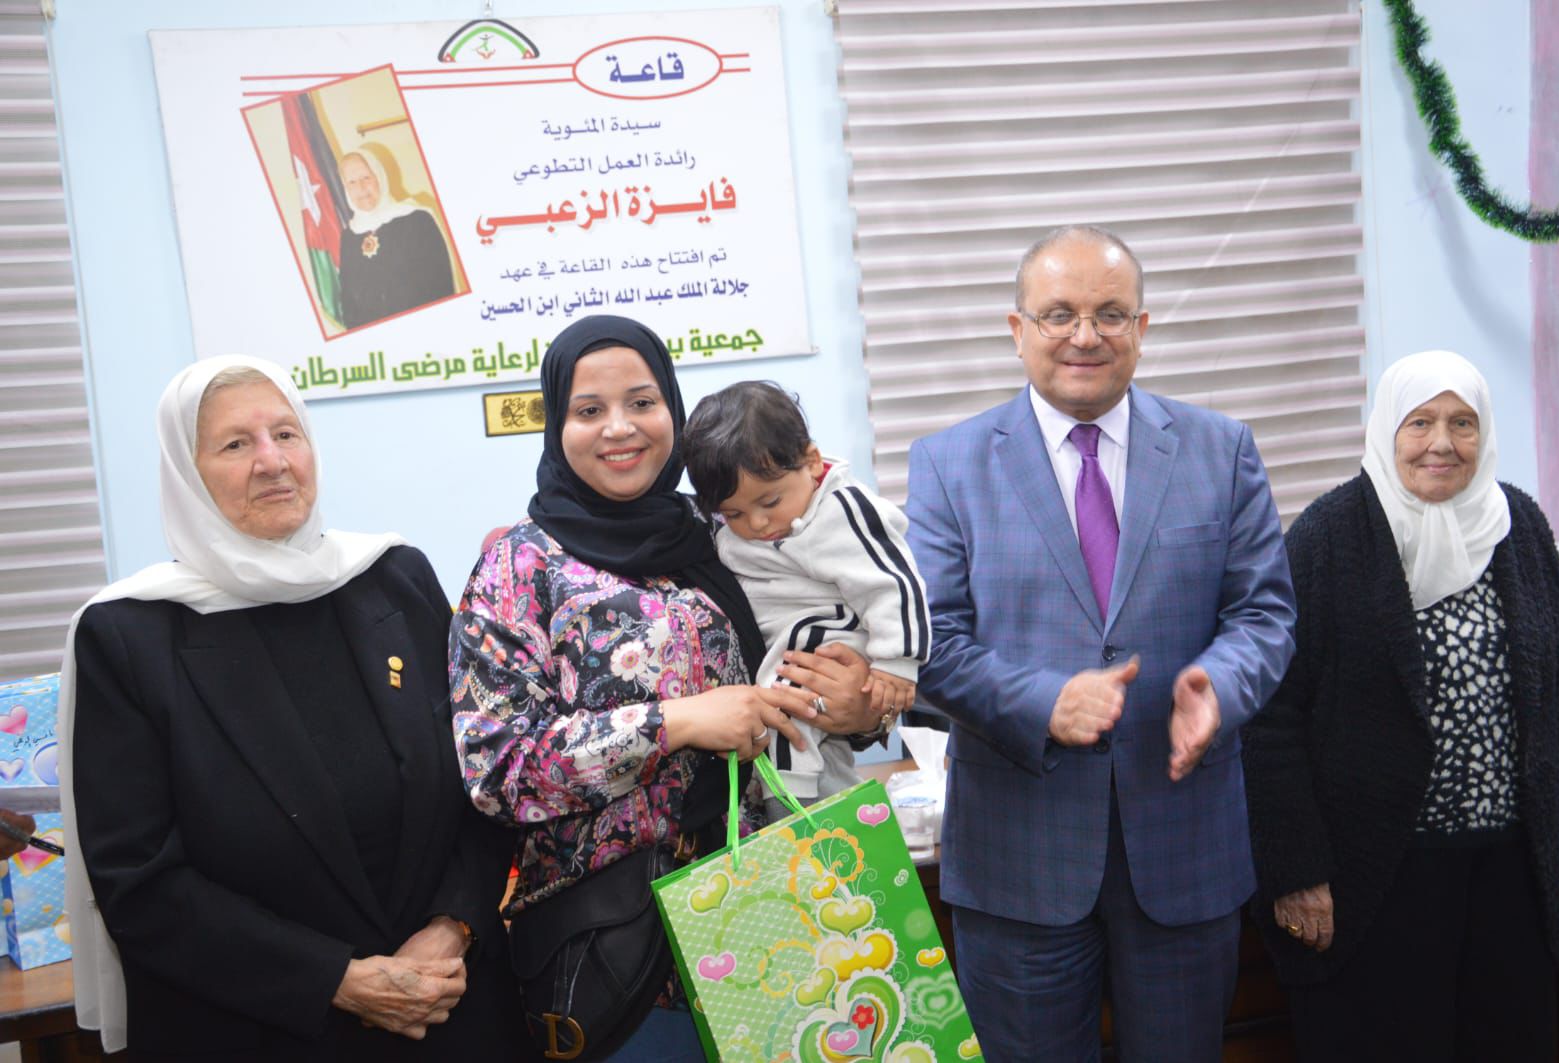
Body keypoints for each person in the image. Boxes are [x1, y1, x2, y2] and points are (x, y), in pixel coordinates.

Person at [905, 224, 1296, 1061]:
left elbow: (1264, 615)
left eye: (1110, 313)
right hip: (1018, 858)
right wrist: (1047, 702)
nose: (1085, 335)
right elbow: (931, 645)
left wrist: (1220, 686)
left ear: (1141, 328)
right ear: (1018, 329)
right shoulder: (947, 463)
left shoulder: (1220, 449)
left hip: (1185, 846)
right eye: (1059, 314)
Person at [62, 356, 524, 1060]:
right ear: (185, 472)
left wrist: (452, 926)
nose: (272, 461)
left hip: (450, 1011)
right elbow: (139, 881)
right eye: (235, 443)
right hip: (259, 1029)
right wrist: (337, 980)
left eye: (286, 433)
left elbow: (481, 777)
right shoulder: (129, 635)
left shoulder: (394, 577)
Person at [449, 315, 881, 1060]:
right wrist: (676, 722)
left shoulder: (727, 530)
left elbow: (826, 641)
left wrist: (857, 707)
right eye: (589, 409)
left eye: (642, 402)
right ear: (557, 425)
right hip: (621, 953)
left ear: (673, 411)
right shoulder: (519, 568)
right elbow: (497, 770)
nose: (620, 427)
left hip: (779, 914)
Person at [1241, 349, 1559, 1061]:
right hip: (1374, 882)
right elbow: (1269, 718)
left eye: (1463, 422)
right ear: (1386, 429)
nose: (1442, 442)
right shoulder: (1327, 537)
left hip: (1512, 873)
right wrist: (1294, 868)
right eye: (1420, 422)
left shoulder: (1519, 526)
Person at [681, 380, 930, 813]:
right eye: (734, 513)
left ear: (812, 462)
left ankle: (791, 808)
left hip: (828, 631)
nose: (757, 524)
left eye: (770, 501)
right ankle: (836, 818)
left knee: (782, 710)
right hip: (789, 641)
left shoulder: (841, 510)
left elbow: (895, 582)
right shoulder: (721, 529)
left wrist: (898, 663)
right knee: (812, 742)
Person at [336, 147, 455, 330]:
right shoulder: (349, 237)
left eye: (366, 177)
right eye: (351, 182)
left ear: (380, 176)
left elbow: (441, 285)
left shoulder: (417, 219)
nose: (360, 188)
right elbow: (348, 302)